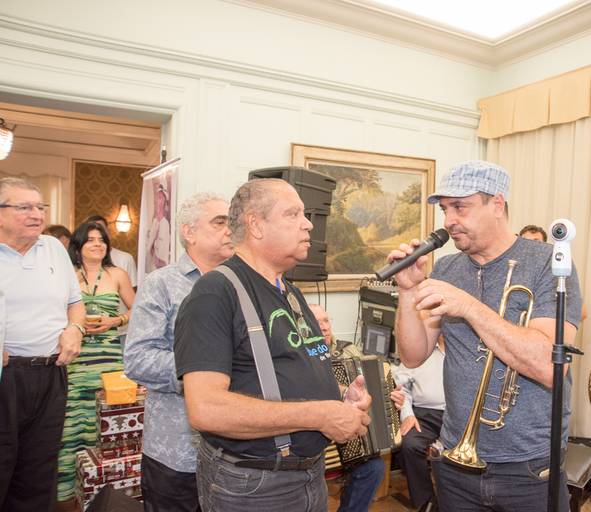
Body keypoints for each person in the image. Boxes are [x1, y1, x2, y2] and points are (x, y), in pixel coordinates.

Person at [386, 161, 582, 512]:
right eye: (445, 209)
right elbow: (413, 355)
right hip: (455, 460)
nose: (449, 220)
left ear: (497, 205)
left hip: (528, 465)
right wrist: (407, 290)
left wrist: (469, 307)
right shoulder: (446, 268)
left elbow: (548, 366)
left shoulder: (547, 263)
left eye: (460, 207)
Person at [174, 178, 371, 512]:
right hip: (255, 487)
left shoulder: (289, 291)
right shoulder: (215, 293)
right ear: (256, 225)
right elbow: (205, 409)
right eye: (293, 214)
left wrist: (339, 397)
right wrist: (320, 414)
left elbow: (288, 369)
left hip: (309, 476)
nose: (308, 224)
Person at [124, 192, 234, 511]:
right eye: (219, 222)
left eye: (232, 222)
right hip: (177, 451)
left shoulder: (241, 285)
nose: (230, 229)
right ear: (189, 232)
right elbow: (138, 358)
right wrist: (203, 375)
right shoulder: (161, 284)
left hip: (235, 455)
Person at [0, 177, 85, 512]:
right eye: (24, 207)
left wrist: (75, 328)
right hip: (8, 376)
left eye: (40, 207)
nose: (36, 214)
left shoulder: (53, 248)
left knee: (39, 471)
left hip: (51, 374)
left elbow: (75, 303)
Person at [56, 221, 135, 501]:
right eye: (90, 240)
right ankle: (67, 491)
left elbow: (138, 311)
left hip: (109, 360)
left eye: (101, 240)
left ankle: (103, 493)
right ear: (78, 246)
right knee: (72, 422)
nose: (98, 244)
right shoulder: (66, 274)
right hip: (75, 359)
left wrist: (115, 320)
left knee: (103, 418)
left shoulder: (117, 274)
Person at [308, 303, 386, 512]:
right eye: (316, 322)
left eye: (326, 321)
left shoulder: (348, 349)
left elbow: (374, 383)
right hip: (316, 433)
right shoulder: (300, 356)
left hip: (351, 434)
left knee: (374, 467)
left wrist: (390, 396)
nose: (324, 327)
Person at [390, 337, 446, 512]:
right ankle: (426, 503)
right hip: (424, 414)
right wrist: (407, 414)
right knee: (409, 445)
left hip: (460, 415)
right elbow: (401, 389)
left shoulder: (468, 347)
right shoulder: (419, 350)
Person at [83, 214, 137, 288]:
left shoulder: (126, 258)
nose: (98, 234)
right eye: (92, 231)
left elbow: (133, 289)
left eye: (101, 230)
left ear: (108, 232)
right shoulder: (82, 259)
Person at [146, 184, 171, 273]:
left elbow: (164, 249)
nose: (157, 201)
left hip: (160, 267)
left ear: (165, 202)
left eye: (160, 198)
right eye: (156, 198)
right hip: (151, 265)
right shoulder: (154, 221)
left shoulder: (165, 224)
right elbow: (149, 244)